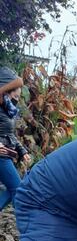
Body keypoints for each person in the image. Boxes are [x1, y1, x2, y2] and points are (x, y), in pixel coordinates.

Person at [0, 67, 31, 210]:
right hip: (1, 157)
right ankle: (25, 219)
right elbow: (19, 81)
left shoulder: (8, 111)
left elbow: (10, 135)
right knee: (18, 189)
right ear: (6, 92)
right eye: (16, 96)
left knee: (15, 189)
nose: (16, 100)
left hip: (6, 155)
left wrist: (23, 151)